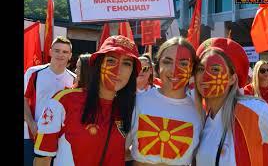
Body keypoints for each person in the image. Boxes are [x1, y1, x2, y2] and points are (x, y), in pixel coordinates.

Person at [33, 35, 141, 166]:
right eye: (111, 61)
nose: (118, 70)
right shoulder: (64, 101)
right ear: (98, 64)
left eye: (127, 63)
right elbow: (43, 159)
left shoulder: (134, 108)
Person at [194, 37, 268, 166]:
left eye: (215, 69)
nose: (205, 76)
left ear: (232, 79)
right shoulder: (201, 118)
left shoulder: (254, 111)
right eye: (200, 69)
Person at [126, 36, 203, 165]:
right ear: (157, 66)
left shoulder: (199, 111)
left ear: (192, 70)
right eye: (167, 62)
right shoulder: (138, 101)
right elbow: (121, 149)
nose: (174, 70)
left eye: (183, 63)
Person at [24, 36, 76, 166]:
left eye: (65, 52)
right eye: (57, 50)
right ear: (50, 51)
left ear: (70, 55)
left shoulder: (74, 79)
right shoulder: (34, 72)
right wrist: (31, 123)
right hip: (33, 135)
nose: (60, 54)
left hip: (60, 139)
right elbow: (24, 99)